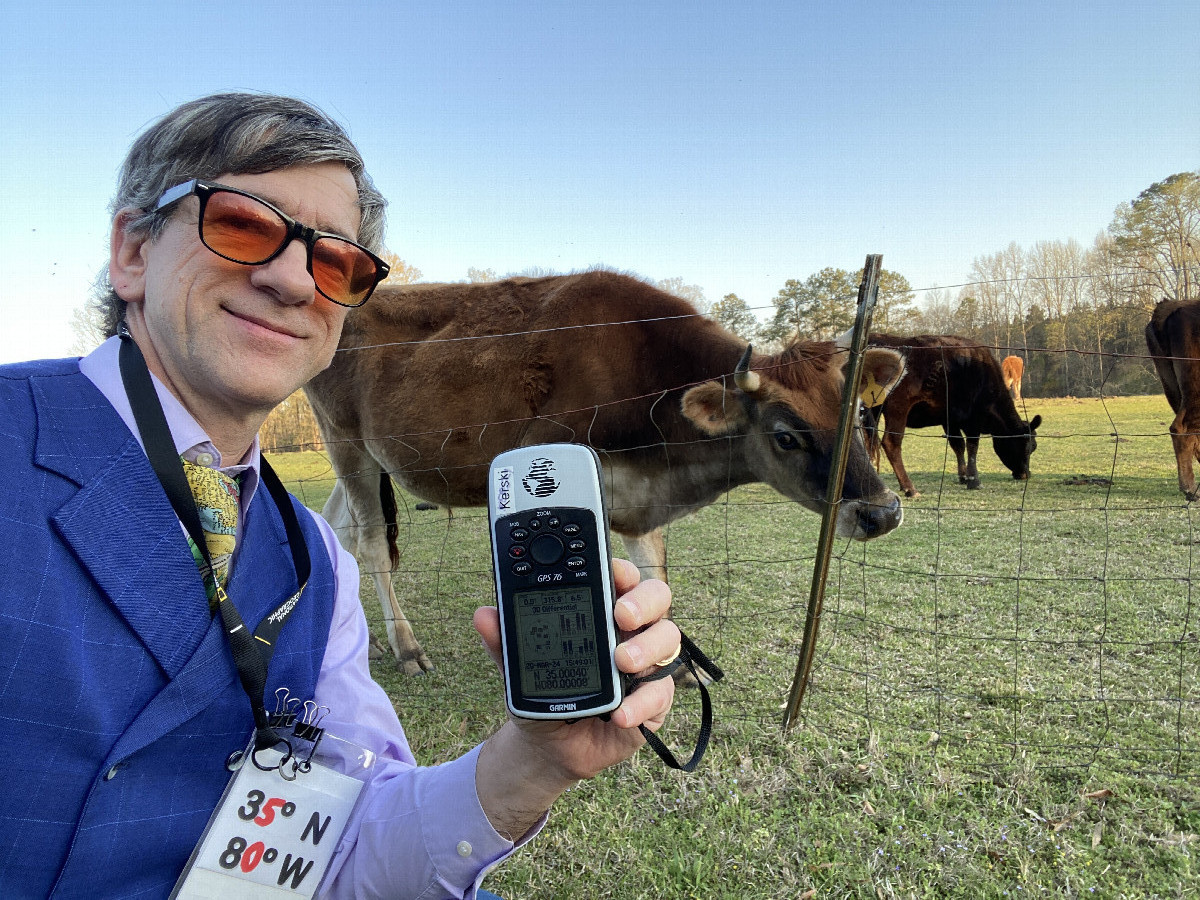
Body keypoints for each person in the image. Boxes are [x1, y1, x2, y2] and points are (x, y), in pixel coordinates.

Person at [0, 92, 679, 899]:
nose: (294, 280)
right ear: (133, 252)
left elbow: (345, 844)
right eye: (244, 223)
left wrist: (532, 760)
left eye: (338, 263)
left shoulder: (316, 562)